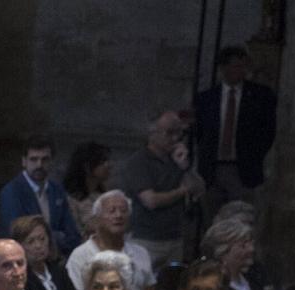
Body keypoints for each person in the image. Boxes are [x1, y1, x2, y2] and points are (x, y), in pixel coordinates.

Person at [115, 110, 204, 266]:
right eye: (169, 133)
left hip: (175, 237)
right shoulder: (139, 162)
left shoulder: (176, 158)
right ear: (152, 133)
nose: (175, 138)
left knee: (170, 285)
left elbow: (199, 190)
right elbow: (151, 200)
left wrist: (185, 167)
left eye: (179, 133)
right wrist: (182, 191)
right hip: (146, 238)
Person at [193, 46, 277, 207]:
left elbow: (267, 131)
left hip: (242, 167)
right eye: (236, 66)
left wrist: (254, 154)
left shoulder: (260, 96)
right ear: (224, 68)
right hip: (212, 168)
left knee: (240, 215)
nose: (241, 71)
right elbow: (200, 132)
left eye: (244, 66)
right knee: (211, 214)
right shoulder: (207, 98)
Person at [64, 191, 153, 290]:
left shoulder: (141, 253)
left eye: (123, 210)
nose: (118, 215)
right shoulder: (80, 256)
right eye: (112, 211)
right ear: (97, 219)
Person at [0, 135, 83, 255]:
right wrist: (57, 236)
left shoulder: (57, 189)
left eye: (45, 159)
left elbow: (73, 235)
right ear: (24, 161)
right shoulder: (12, 192)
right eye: (33, 159)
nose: (39, 165)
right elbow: (18, 236)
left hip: (57, 260)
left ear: (51, 161)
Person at [15, 213, 85, 290]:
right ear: (19, 246)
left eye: (42, 239)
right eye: (31, 241)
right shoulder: (21, 279)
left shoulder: (59, 270)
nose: (38, 245)